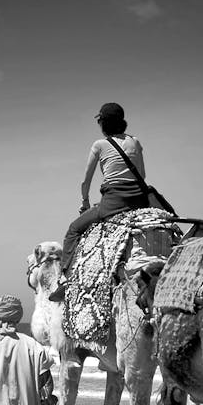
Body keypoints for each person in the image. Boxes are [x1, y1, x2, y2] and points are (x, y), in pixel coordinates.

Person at [53, 103, 151, 300]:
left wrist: (85, 201)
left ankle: (65, 279)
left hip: (112, 202)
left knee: (73, 230)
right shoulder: (135, 141)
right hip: (140, 200)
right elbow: (142, 174)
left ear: (103, 123)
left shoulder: (99, 145)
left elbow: (85, 181)